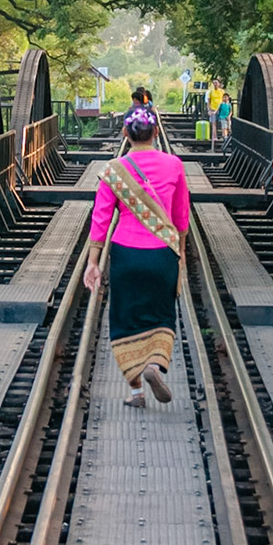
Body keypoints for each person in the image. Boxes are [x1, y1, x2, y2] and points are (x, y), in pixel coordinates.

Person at [83, 105, 190, 407]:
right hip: (161, 255)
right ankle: (154, 366)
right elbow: (181, 216)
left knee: (125, 318)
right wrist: (180, 251)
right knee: (160, 314)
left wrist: (93, 263)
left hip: (126, 254)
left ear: (125, 134)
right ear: (156, 132)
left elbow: (101, 219)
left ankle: (136, 393)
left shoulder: (114, 170)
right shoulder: (174, 165)